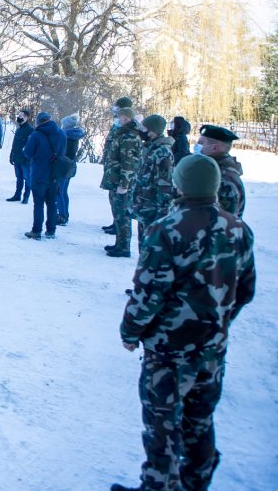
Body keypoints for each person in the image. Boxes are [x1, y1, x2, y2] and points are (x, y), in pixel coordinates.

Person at [113, 154, 255, 491]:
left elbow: (150, 292)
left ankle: (158, 486)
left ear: (179, 185)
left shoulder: (167, 229)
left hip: (168, 351)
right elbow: (245, 289)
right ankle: (195, 483)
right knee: (200, 422)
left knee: (162, 425)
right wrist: (218, 321)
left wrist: (130, 331)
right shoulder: (237, 228)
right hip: (212, 349)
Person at [127, 115, 175, 252]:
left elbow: (165, 186)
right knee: (143, 249)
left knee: (151, 252)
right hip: (144, 208)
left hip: (153, 211)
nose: (140, 130)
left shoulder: (162, 152)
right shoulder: (150, 148)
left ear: (153, 131)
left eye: (143, 128)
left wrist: (161, 215)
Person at [102, 107, 141, 258]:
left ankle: (124, 247)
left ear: (126, 118)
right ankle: (119, 243)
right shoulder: (124, 134)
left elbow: (128, 163)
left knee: (123, 214)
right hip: (116, 179)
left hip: (122, 182)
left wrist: (124, 184)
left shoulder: (129, 137)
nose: (118, 119)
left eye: (120, 117)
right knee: (118, 213)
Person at [22, 112, 66, 239]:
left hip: (39, 174)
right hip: (55, 175)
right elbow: (63, 152)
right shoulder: (61, 134)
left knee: (39, 204)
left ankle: (36, 231)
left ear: (38, 122)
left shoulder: (35, 135)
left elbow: (28, 153)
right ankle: (51, 230)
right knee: (52, 204)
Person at [195, 125, 245, 218]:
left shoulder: (224, 178)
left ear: (214, 148)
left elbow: (224, 222)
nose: (196, 146)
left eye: (201, 143)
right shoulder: (212, 170)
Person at [101, 96, 134, 234]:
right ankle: (115, 223)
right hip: (112, 168)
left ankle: (120, 231)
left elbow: (127, 157)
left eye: (117, 107)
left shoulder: (129, 128)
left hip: (119, 170)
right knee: (114, 200)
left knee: (121, 203)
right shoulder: (117, 123)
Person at [55, 114, 86, 225]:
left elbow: (60, 152)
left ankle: (62, 216)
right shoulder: (74, 135)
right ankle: (65, 214)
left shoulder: (65, 136)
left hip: (63, 167)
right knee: (63, 191)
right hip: (70, 166)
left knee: (59, 192)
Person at [6, 109, 33, 204]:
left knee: (27, 178)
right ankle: (17, 195)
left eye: (23, 115)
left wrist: (27, 157)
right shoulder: (18, 128)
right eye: (19, 115)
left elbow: (30, 145)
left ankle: (26, 197)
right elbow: (15, 144)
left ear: (27, 117)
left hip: (25, 159)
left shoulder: (30, 130)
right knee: (19, 178)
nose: (20, 117)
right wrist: (11, 154)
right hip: (16, 157)